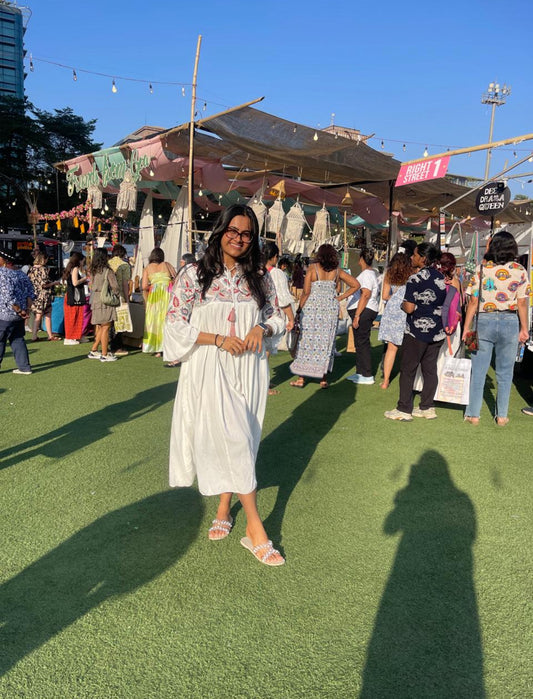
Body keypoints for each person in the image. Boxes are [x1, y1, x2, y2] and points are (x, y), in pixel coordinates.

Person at [163, 204, 286, 566]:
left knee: (243, 440)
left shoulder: (260, 277)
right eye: (233, 230)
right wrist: (216, 338)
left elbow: (279, 316)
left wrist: (261, 328)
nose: (239, 238)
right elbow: (173, 325)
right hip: (209, 367)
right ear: (220, 231)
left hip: (248, 369)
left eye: (247, 234)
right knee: (232, 437)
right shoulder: (193, 275)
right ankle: (255, 527)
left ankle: (223, 506)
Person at [463, 231, 531, 426]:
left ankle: (473, 414)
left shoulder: (482, 269)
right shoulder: (520, 270)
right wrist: (524, 328)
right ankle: (501, 415)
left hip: (484, 321)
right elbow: (523, 302)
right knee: (505, 371)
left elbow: (473, 301)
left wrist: (467, 327)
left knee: (479, 369)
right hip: (510, 322)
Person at [385, 242, 447, 421]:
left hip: (416, 331)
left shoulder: (414, 279)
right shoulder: (441, 278)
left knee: (408, 369)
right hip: (437, 331)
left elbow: (410, 308)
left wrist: (402, 304)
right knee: (429, 369)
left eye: (415, 255)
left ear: (423, 258)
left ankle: (404, 409)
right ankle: (427, 407)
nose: (411, 257)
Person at [289, 244, 359, 389]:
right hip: (329, 310)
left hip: (312, 310)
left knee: (306, 341)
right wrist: (340, 298)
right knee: (326, 343)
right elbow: (356, 284)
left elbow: (306, 292)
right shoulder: (337, 271)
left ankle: (301, 379)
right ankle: (323, 379)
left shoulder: (312, 269)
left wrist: (298, 309)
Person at [263, 241, 295, 394]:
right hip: (270, 316)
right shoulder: (276, 273)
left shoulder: (253, 270)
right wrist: (291, 318)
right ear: (275, 257)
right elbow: (282, 299)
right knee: (265, 352)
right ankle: (263, 385)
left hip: (255, 314)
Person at [346, 246, 381, 385]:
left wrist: (357, 315)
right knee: (359, 343)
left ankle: (366, 374)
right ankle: (360, 372)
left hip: (364, 310)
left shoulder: (366, 274)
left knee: (362, 342)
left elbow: (365, 295)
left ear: (361, 259)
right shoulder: (371, 274)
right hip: (365, 310)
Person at [377, 252, 413, 389]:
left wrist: (394, 295)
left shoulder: (389, 274)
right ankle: (408, 380)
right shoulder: (411, 275)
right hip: (406, 308)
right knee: (409, 347)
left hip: (392, 310)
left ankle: (385, 380)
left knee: (391, 348)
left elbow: (385, 296)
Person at [0, 247, 34, 375]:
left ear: (4, 260)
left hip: (5, 314)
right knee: (17, 339)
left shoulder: (2, 274)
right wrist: (26, 310)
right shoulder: (21, 274)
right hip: (19, 315)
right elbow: (30, 293)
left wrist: (19, 310)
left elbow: (8, 296)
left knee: (1, 340)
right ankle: (24, 367)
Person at [87, 248, 120, 362]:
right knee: (106, 327)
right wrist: (117, 295)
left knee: (101, 327)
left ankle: (94, 349)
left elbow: (91, 285)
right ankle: (105, 354)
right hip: (105, 300)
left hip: (95, 299)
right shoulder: (107, 271)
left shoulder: (93, 270)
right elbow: (115, 286)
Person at [142, 247, 176, 357]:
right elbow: (177, 279)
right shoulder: (167, 265)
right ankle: (168, 346)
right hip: (167, 294)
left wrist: (154, 284)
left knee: (154, 321)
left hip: (154, 296)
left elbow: (143, 286)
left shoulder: (147, 268)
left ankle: (157, 349)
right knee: (166, 320)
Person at [28, 252, 58, 341]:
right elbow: (44, 285)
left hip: (35, 294)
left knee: (38, 315)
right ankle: (47, 335)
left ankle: (37, 335)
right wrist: (54, 283)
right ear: (43, 259)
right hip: (43, 295)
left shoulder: (31, 269)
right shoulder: (43, 269)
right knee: (45, 315)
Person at [108, 244, 131, 357]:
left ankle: (108, 344)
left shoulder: (108, 264)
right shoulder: (124, 265)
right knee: (120, 322)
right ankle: (117, 346)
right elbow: (125, 283)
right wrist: (127, 298)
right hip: (119, 296)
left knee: (109, 322)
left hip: (108, 296)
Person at [62, 253, 88, 345]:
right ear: (79, 260)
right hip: (74, 297)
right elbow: (75, 283)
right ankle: (69, 337)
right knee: (73, 317)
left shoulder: (70, 269)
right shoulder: (75, 269)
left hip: (72, 296)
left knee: (76, 316)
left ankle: (76, 336)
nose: (83, 263)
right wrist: (84, 279)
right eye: (82, 261)